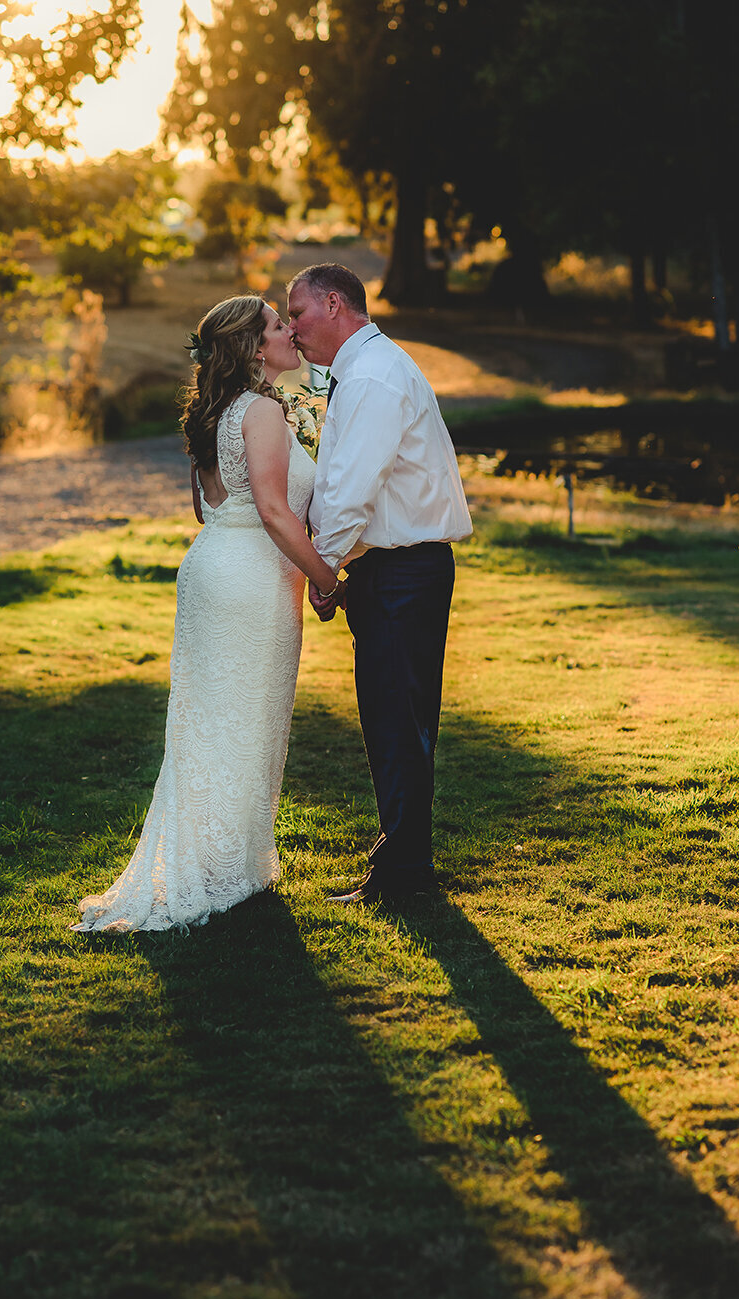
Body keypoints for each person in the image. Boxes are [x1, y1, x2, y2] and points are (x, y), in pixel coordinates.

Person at [72, 295, 342, 933]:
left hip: (210, 564)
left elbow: (206, 508)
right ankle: (223, 871)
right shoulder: (264, 412)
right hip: (251, 578)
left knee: (210, 721)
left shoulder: (213, 413)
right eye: (279, 327)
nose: (290, 333)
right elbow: (276, 513)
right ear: (253, 349)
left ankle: (223, 863)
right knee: (244, 719)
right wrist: (329, 578)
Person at [286, 264, 473, 904]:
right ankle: (403, 863)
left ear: (334, 304)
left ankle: (404, 875)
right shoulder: (373, 367)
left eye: (298, 313)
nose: (291, 328)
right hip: (397, 571)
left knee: (397, 721)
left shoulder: (371, 376)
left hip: (402, 573)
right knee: (398, 719)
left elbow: (348, 490)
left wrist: (323, 568)